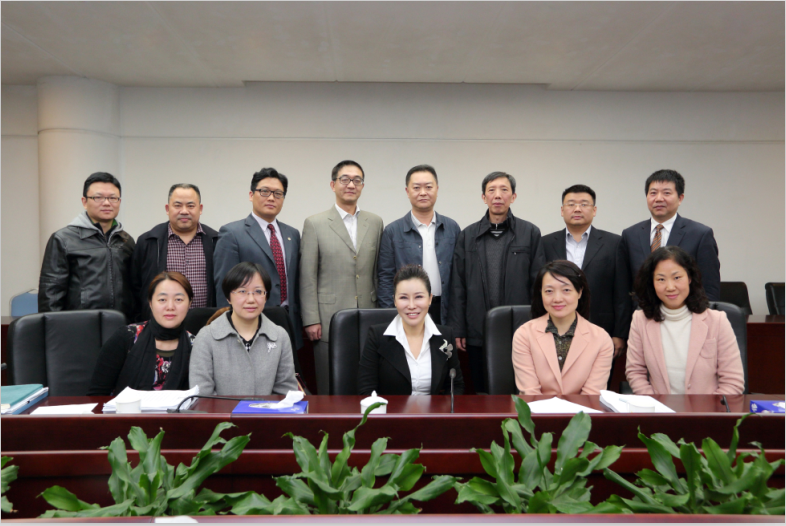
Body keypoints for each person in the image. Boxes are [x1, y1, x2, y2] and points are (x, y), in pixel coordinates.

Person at [449, 171, 545, 393]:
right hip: (477, 326)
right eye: (491, 190)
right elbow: (457, 285)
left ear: (514, 196)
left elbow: (539, 284)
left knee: (519, 388)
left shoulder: (530, 233)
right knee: (481, 388)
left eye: (504, 190)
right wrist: (458, 328)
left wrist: (539, 323)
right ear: (484, 197)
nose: (498, 195)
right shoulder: (467, 235)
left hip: (519, 326)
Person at [300, 160, 384, 394]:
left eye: (357, 180)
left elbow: (378, 272)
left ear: (362, 186)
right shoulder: (315, 224)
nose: (351, 185)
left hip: (368, 315)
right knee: (330, 383)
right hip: (328, 318)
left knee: (367, 382)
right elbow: (307, 276)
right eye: (344, 179)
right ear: (333, 185)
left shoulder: (375, 222)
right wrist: (311, 319)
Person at [626, 246, 744, 395]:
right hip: (659, 407)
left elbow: (733, 381)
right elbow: (635, 371)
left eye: (677, 278)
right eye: (661, 279)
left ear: (689, 278)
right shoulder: (640, 320)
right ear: (652, 283)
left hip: (707, 408)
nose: (670, 287)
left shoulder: (717, 321)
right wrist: (654, 404)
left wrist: (709, 408)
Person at [540, 185, 631, 370]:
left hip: (602, 327)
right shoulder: (545, 243)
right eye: (571, 204)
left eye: (584, 204)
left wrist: (619, 333)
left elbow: (622, 292)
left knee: (597, 383)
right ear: (562, 210)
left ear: (594, 210)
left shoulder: (614, 243)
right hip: (555, 328)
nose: (577, 209)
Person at [213, 168, 303, 351]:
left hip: (289, 322)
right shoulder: (232, 233)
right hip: (250, 320)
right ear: (251, 195)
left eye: (278, 193)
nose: (271, 198)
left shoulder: (292, 234)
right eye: (264, 191)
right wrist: (229, 327)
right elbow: (224, 286)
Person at [189, 262, 298, 396]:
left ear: (266, 297)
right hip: (221, 410)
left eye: (258, 292)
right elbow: (202, 396)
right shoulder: (206, 337)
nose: (251, 299)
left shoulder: (280, 336)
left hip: (267, 410)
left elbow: (286, 393)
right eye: (242, 291)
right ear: (228, 297)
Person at [39, 172, 136, 320]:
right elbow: (51, 294)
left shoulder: (126, 241)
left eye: (113, 198)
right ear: (84, 201)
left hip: (121, 323)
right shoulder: (63, 239)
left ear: (119, 201)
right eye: (98, 197)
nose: (106, 203)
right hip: (79, 325)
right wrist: (54, 328)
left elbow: (134, 289)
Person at [358, 265, 464, 396]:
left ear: (430, 299)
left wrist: (441, 408)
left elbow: (456, 386)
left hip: (433, 409)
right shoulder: (377, 336)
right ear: (395, 300)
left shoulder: (446, 336)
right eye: (403, 298)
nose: (412, 305)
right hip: (390, 409)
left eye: (419, 297)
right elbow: (366, 390)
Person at [512, 260, 613, 396]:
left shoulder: (601, 339)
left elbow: (591, 395)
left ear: (579, 292)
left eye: (566, 290)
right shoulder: (524, 334)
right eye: (549, 291)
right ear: (541, 293)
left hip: (583, 409)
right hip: (535, 409)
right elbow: (530, 392)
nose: (557, 299)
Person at [619, 169, 721, 303]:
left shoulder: (700, 234)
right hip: (642, 312)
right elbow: (623, 287)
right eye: (653, 193)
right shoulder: (630, 235)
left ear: (680, 198)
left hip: (686, 312)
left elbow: (710, 288)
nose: (658, 198)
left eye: (666, 193)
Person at [87, 271, 195, 396]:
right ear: (150, 303)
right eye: (162, 299)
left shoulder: (196, 345)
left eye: (178, 299)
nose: (170, 306)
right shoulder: (127, 337)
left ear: (189, 303)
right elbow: (97, 394)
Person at [377, 165, 460, 324]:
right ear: (407, 191)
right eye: (416, 188)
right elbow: (385, 278)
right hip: (408, 309)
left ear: (437, 189)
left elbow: (460, 277)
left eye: (428, 187)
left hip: (445, 309)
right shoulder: (392, 231)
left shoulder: (452, 228)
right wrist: (391, 315)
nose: (423, 192)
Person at [131, 184, 219, 321]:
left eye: (190, 206)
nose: (184, 211)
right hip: (160, 324)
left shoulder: (216, 241)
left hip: (206, 324)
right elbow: (135, 287)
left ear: (200, 209)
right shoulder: (148, 242)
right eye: (177, 205)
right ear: (167, 209)